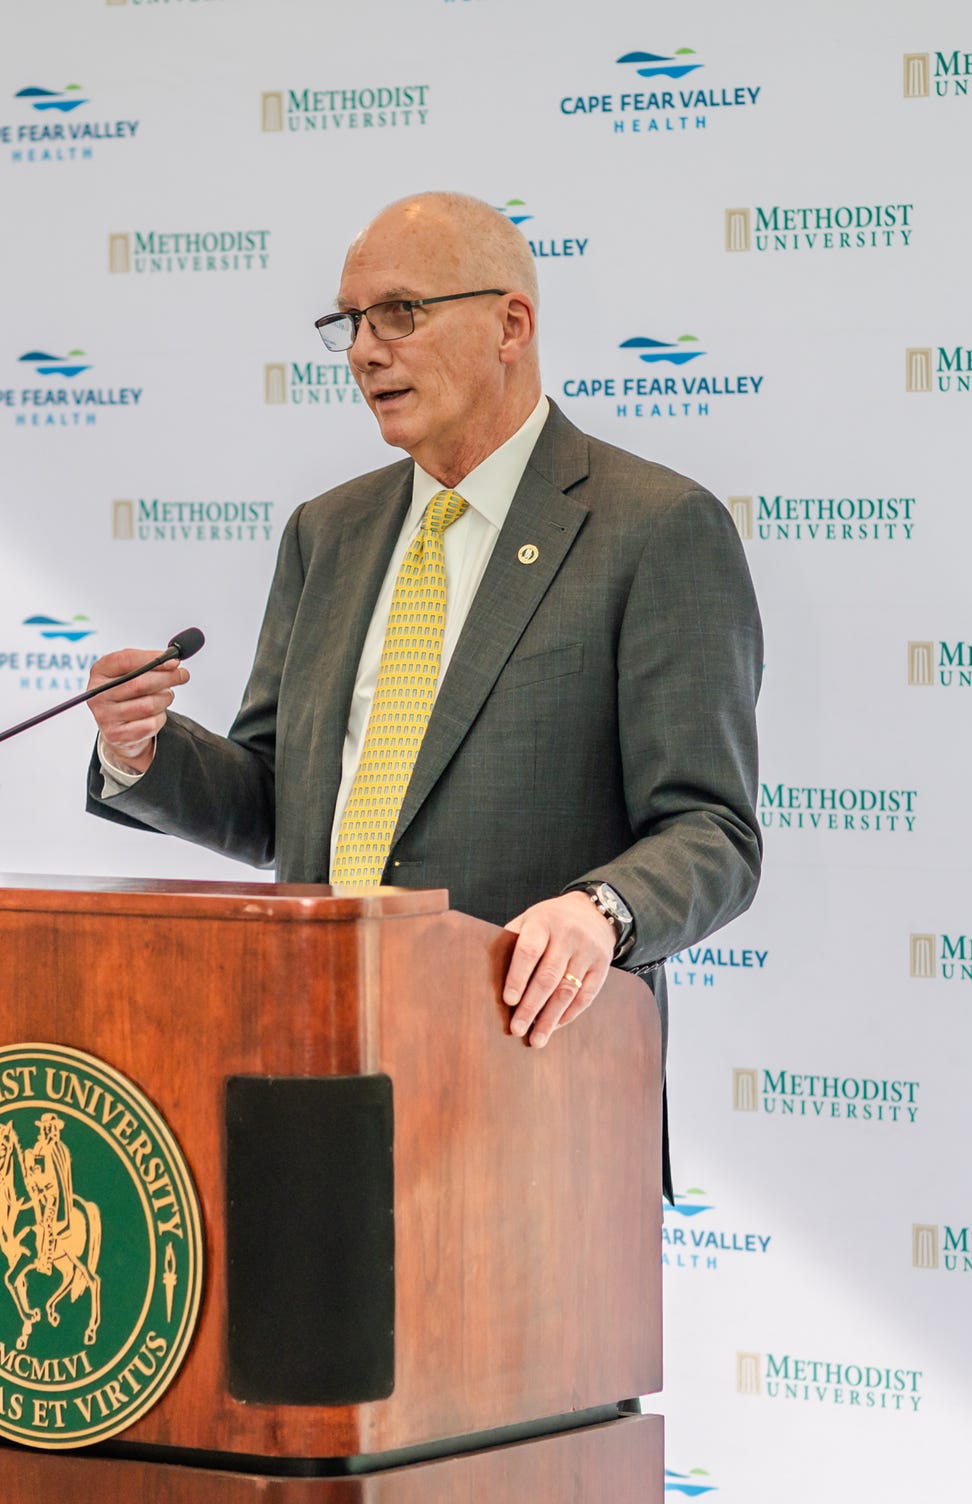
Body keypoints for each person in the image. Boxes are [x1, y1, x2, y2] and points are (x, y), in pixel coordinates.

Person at [85, 192, 760, 1153]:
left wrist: (601, 913)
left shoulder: (652, 528)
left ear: (510, 325)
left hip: (531, 1093)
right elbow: (279, 803)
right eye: (349, 322)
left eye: (399, 312)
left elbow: (713, 830)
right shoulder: (328, 532)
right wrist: (142, 751)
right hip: (311, 1071)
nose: (364, 349)